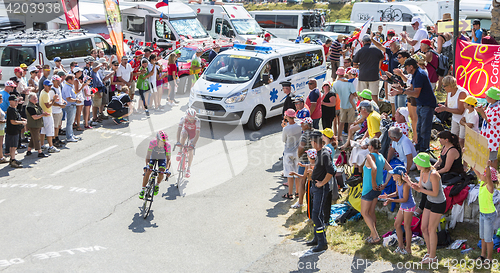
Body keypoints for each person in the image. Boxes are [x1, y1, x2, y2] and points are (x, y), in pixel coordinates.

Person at [407, 153, 446, 264]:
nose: (415, 164)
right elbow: (420, 187)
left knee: (431, 229)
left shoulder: (434, 175)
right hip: (429, 201)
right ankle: (429, 252)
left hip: (438, 203)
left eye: (417, 162)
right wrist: (410, 182)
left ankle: (433, 257)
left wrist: (420, 190)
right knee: (424, 228)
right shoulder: (422, 171)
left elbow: (434, 193)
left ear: (422, 164)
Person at [392, 58, 437, 153]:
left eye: (406, 67)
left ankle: (424, 150)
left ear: (411, 66)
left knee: (425, 129)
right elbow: (411, 87)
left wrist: (403, 91)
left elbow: (416, 93)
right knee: (419, 128)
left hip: (427, 104)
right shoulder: (415, 74)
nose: (405, 70)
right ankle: (419, 148)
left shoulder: (420, 74)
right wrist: (400, 90)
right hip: (421, 104)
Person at [307, 130, 336, 253]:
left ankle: (322, 242)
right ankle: (316, 238)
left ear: (314, 142)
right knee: (316, 213)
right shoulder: (320, 153)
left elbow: (331, 171)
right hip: (316, 186)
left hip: (321, 188)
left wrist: (322, 183)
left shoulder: (324, 154)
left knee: (317, 215)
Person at [361, 138, 391, 244]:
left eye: (368, 145)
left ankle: (375, 236)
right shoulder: (381, 156)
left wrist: (373, 183)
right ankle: (372, 234)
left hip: (369, 188)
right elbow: (390, 170)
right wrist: (385, 184)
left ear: (371, 147)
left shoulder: (370, 156)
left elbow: (374, 168)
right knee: (371, 211)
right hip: (378, 188)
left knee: (364, 212)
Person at [381, 166, 415, 255]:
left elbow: (404, 199)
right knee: (397, 224)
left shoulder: (406, 185)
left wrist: (391, 200)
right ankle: (401, 246)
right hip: (403, 206)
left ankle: (408, 249)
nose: (392, 175)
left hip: (408, 206)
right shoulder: (397, 182)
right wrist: (388, 196)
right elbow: (396, 193)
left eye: (394, 174)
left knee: (407, 227)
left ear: (399, 175)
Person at [472, 164, 497, 264]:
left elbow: (488, 177)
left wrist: (487, 166)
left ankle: (489, 258)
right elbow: (475, 171)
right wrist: (468, 159)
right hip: (483, 214)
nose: (480, 175)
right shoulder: (482, 182)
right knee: (482, 237)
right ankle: (482, 255)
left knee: (488, 238)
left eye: (483, 174)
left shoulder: (489, 186)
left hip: (489, 215)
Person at [435, 76, 468, 147]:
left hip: (464, 120)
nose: (443, 88)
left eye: (444, 86)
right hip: (455, 118)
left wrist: (445, 109)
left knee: (461, 140)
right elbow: (446, 105)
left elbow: (460, 111)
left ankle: (463, 156)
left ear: (449, 86)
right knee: (453, 139)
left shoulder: (462, 93)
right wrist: (441, 108)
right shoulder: (449, 92)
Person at [140, 130, 172, 199]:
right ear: (157, 140)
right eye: (161, 141)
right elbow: (148, 155)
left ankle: (157, 184)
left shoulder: (167, 145)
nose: (163, 143)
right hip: (153, 156)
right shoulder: (152, 142)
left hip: (162, 158)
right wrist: (147, 165)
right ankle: (142, 189)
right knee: (148, 171)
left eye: (164, 141)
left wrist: (167, 169)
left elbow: (168, 159)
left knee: (161, 172)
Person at [353, 35, 384, 104]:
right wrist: (378, 68)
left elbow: (354, 64)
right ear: (370, 42)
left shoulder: (360, 51)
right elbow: (381, 59)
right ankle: (375, 109)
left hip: (363, 75)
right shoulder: (377, 50)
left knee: (361, 94)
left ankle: (362, 109)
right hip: (374, 75)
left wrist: (360, 66)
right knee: (374, 95)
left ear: (363, 42)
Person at [477, 87, 500, 169]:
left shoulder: (498, 108)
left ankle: (493, 177)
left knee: (492, 158)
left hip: (493, 137)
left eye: (487, 96)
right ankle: (487, 174)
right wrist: (482, 111)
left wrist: (482, 112)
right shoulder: (490, 105)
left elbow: (490, 121)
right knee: (486, 156)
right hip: (487, 135)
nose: (485, 97)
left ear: (493, 98)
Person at [281, 109, 302, 199]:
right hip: (297, 152)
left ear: (287, 117)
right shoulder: (299, 125)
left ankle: (290, 193)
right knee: (297, 173)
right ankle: (297, 193)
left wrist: (284, 126)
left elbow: (283, 140)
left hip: (288, 152)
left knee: (289, 174)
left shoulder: (286, 129)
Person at [294, 117, 314, 209]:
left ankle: (300, 202)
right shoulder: (315, 132)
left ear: (306, 125)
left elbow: (301, 148)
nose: (301, 125)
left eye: (302, 124)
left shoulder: (305, 135)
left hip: (304, 160)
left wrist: (299, 155)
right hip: (313, 161)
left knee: (302, 181)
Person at [332, 71, 357, 143]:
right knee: (350, 123)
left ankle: (339, 138)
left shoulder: (335, 83)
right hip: (350, 106)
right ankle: (350, 139)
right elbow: (354, 93)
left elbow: (335, 93)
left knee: (341, 123)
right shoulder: (349, 83)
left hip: (342, 105)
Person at [175, 108, 200, 178]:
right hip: (186, 130)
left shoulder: (197, 120)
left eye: (193, 117)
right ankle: (180, 151)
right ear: (187, 116)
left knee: (190, 150)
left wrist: (192, 144)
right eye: (190, 117)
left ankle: (188, 168)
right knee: (183, 135)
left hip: (193, 134)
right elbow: (179, 130)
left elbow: (198, 134)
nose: (192, 119)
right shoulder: (183, 118)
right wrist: (178, 141)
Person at [25, 92, 50, 158]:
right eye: (34, 99)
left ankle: (29, 150)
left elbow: (40, 111)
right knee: (37, 138)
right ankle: (40, 152)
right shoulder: (30, 107)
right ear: (30, 99)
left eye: (36, 98)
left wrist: (44, 113)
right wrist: (42, 115)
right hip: (33, 125)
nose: (36, 99)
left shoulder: (36, 105)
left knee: (33, 138)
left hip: (36, 124)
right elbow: (34, 117)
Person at [39, 80, 59, 153]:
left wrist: (51, 100)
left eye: (50, 85)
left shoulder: (43, 92)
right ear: (44, 85)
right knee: (50, 131)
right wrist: (53, 99)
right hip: (47, 115)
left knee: (43, 131)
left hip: (44, 115)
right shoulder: (45, 94)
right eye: (48, 86)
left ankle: (42, 145)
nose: (50, 87)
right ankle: (51, 146)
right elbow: (48, 105)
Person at [6, 95, 26, 168]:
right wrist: (22, 122)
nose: (16, 102)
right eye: (15, 101)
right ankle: (13, 160)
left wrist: (22, 119)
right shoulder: (11, 109)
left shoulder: (14, 109)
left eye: (17, 101)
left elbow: (17, 117)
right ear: (10, 101)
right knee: (13, 146)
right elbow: (13, 121)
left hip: (15, 130)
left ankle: (12, 159)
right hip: (12, 130)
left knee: (13, 146)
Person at [61, 75, 81, 142]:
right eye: (73, 79)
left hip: (72, 105)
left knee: (71, 122)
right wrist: (76, 100)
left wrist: (76, 99)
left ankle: (71, 134)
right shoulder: (67, 87)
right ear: (69, 80)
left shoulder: (69, 86)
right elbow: (68, 98)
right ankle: (69, 137)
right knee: (70, 122)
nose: (74, 81)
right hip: (69, 106)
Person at [49, 75, 66, 147]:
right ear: (53, 82)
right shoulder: (52, 90)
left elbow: (60, 97)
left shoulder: (58, 88)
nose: (59, 82)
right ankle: (53, 140)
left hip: (59, 110)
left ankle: (56, 138)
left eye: (59, 80)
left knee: (58, 126)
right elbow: (51, 101)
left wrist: (63, 101)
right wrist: (59, 105)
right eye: (57, 81)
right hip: (54, 111)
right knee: (55, 127)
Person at [73, 67, 91, 132]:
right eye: (80, 72)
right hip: (78, 98)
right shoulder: (76, 80)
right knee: (78, 113)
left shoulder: (76, 80)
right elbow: (77, 91)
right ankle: (78, 126)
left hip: (79, 98)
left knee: (77, 113)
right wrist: (83, 86)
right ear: (76, 73)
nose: (81, 73)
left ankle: (75, 124)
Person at [0, 95, 6, 163]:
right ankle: (1, 157)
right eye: (1, 98)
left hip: (1, 128)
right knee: (0, 144)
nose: (2, 99)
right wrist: (4, 121)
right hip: (0, 128)